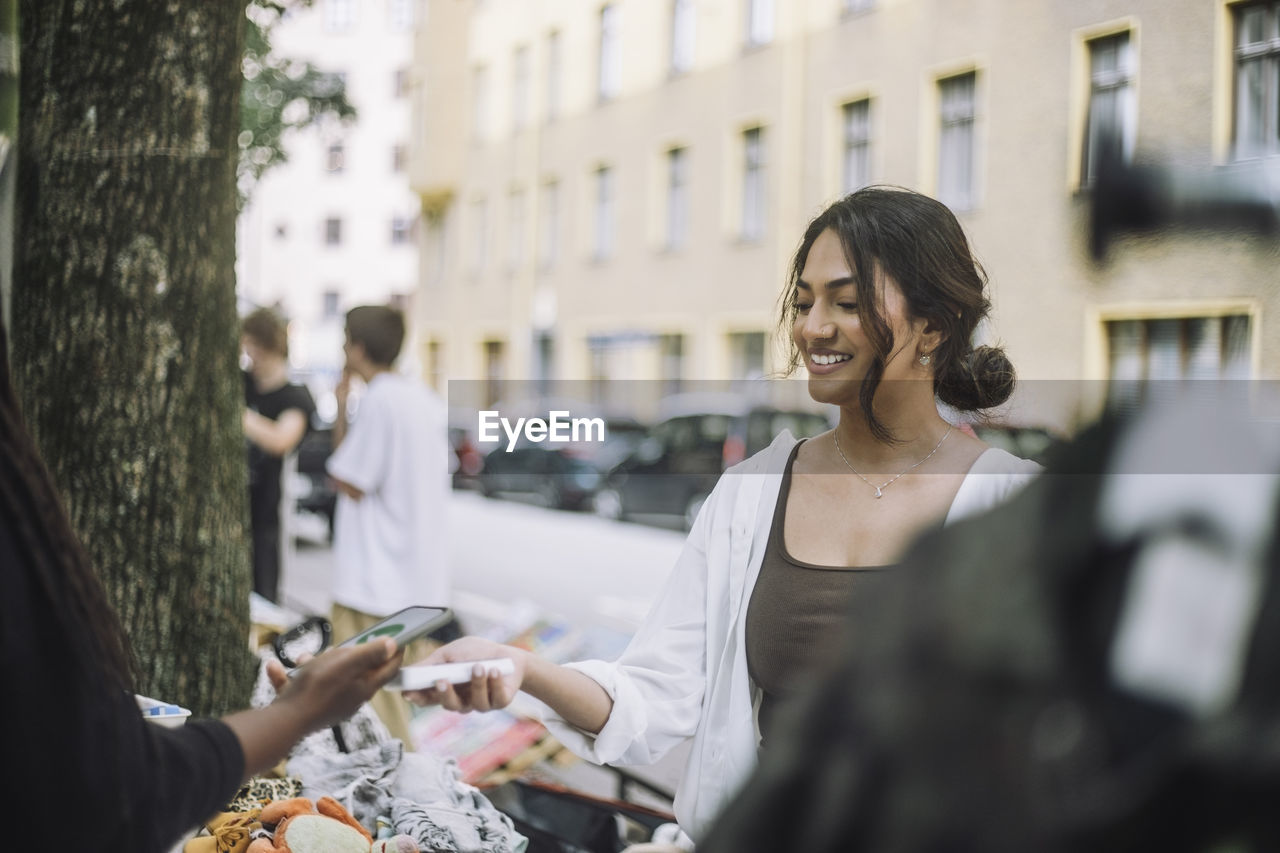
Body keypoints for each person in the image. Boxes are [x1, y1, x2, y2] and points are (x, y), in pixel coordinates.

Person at [406, 187, 1042, 843]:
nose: (812, 327)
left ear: (933, 326)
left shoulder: (1020, 509)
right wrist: (521, 668)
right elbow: (655, 694)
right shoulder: (751, 493)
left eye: (846, 303)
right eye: (803, 302)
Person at [0, 319, 405, 853]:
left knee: (393, 700)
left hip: (299, 543)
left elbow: (305, 452)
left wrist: (295, 713)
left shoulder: (304, 395)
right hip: (363, 572)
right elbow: (105, 785)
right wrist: (296, 714)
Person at [326, 304, 452, 749]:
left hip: (373, 580)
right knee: (392, 698)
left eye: (345, 341)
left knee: (370, 704)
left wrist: (342, 410)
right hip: (415, 581)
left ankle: (408, 793)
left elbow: (350, 478)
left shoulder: (380, 398)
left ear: (357, 348)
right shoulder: (422, 398)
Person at [241, 307, 316, 603]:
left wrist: (240, 416)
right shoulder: (241, 381)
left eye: (257, 349)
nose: (252, 358)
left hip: (264, 519)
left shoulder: (295, 397)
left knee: (264, 601)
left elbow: (281, 440)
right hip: (232, 511)